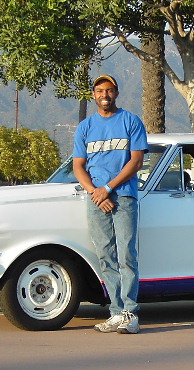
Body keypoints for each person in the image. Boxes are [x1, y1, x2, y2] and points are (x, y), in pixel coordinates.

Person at [73, 75, 148, 334]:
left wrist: (108, 189)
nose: (104, 95)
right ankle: (116, 313)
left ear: (116, 93)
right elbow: (78, 166)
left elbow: (136, 162)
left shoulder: (131, 121)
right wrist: (96, 193)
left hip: (124, 196)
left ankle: (130, 313)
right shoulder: (85, 127)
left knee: (127, 254)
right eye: (99, 91)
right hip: (97, 199)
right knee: (106, 256)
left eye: (109, 90)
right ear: (94, 95)